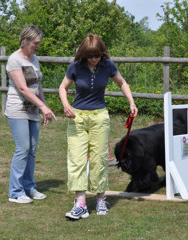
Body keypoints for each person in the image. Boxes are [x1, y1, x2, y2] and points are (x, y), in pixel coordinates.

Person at [59, 34, 138, 220]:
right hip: (78, 118)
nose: (94, 59)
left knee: (99, 159)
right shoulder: (75, 67)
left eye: (97, 56)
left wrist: (131, 102)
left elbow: (122, 82)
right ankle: (80, 204)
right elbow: (62, 88)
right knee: (77, 159)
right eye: (90, 56)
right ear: (83, 54)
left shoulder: (108, 65)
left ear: (102, 53)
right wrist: (66, 105)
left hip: (100, 118)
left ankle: (101, 198)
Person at [5, 25, 57, 204]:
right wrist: (43, 107)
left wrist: (44, 107)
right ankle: (15, 191)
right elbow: (22, 88)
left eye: (39, 43)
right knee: (23, 149)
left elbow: (38, 85)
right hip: (17, 109)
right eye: (35, 43)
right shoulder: (14, 59)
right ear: (25, 40)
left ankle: (28, 186)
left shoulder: (34, 59)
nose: (38, 46)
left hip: (33, 110)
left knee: (32, 151)